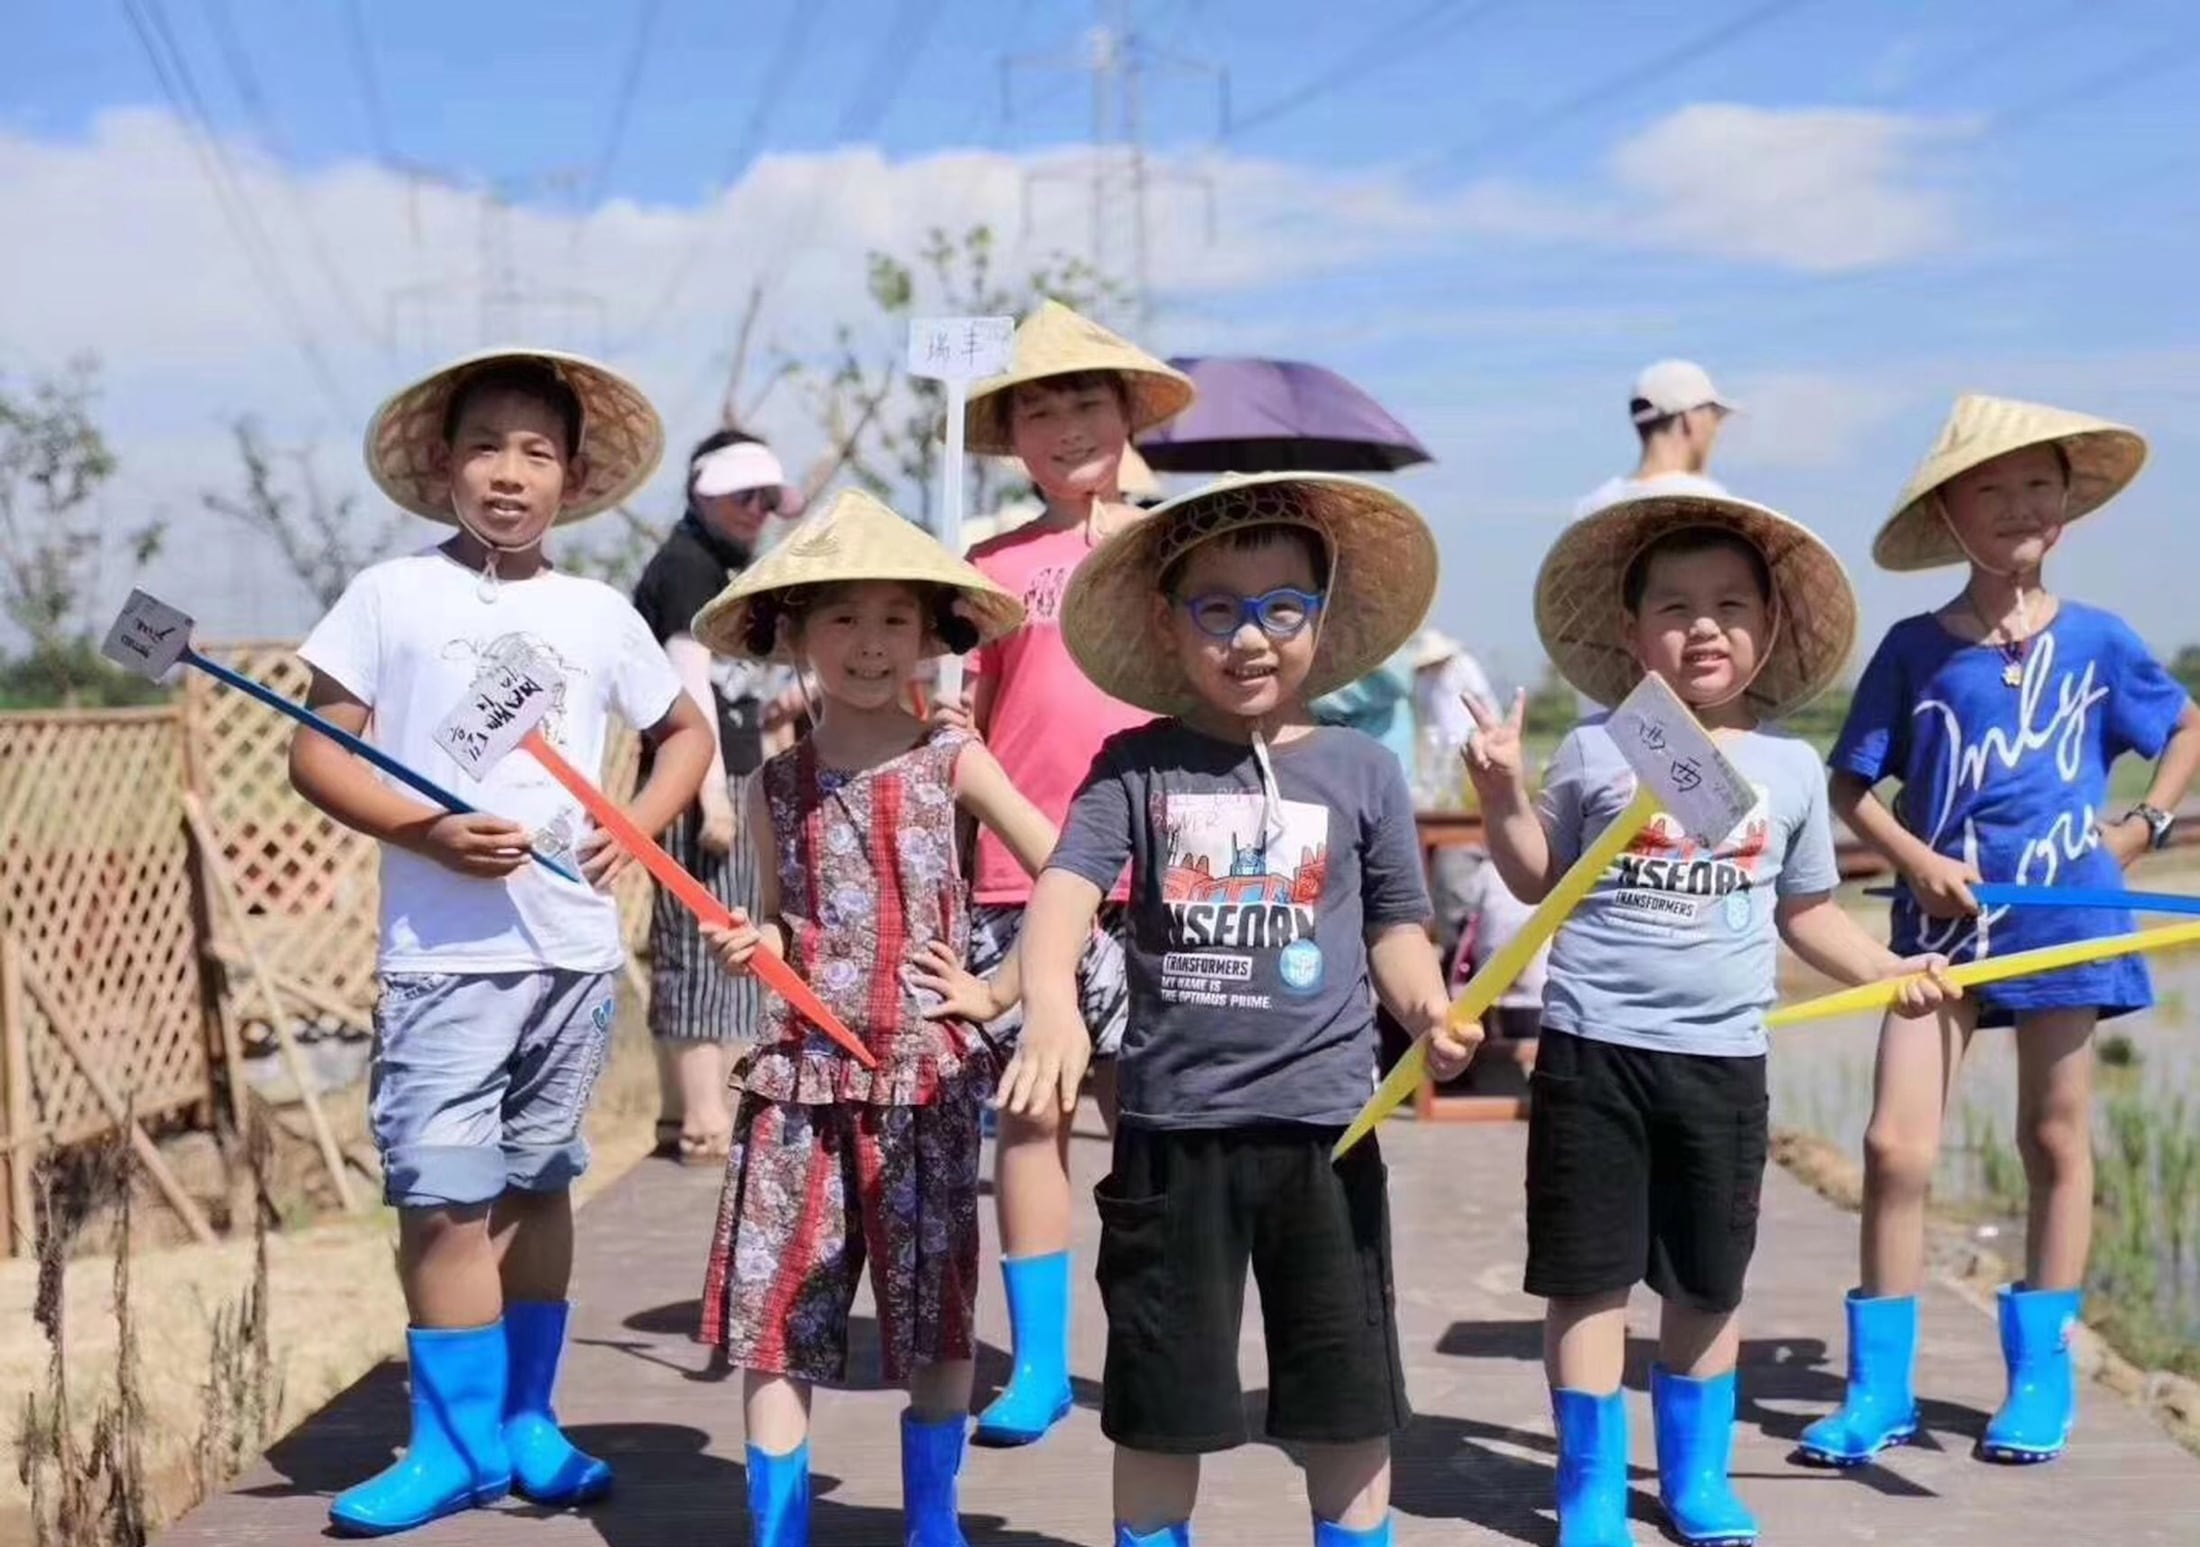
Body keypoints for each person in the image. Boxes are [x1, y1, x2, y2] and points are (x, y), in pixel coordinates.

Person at [1461, 491, 1954, 1547]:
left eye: (1731, 605)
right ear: (1631, 632)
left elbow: (1808, 910)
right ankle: (1590, 1489)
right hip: (1593, 1050)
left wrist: (1888, 964)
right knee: (1587, 1276)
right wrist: (1501, 792)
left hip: (1721, 1061)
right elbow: (1535, 877)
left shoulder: (1783, 770)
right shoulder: (1598, 750)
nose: (1702, 626)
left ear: (1767, 630)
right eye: (1675, 607)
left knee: (1705, 1279)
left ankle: (1696, 1475)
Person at [291, 349, 716, 1536]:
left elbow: (683, 729)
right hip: (442, 960)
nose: (511, 473)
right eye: (488, 446)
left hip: (568, 958)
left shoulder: (597, 612)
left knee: (537, 1185)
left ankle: (527, 1419)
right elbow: (316, 750)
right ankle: (453, 1443)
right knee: (440, 1197)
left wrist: (637, 824)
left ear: (574, 476)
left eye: (538, 451)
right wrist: (426, 825)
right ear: (444, 464)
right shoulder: (388, 594)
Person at [1004, 471, 1466, 1547]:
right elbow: (1065, 891)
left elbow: (1398, 922)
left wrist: (1430, 1008)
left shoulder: (1362, 768)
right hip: (1174, 1135)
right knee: (1163, 1393)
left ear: (1321, 619)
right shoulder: (1136, 764)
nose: (1249, 637)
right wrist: (1053, 1010)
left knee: (1346, 1397)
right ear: (1170, 628)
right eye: (1216, 608)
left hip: (1329, 1131)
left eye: (1280, 608)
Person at [1800, 396, 2200, 1470]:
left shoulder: (2105, 640)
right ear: (1949, 512)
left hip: (2069, 917)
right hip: (1937, 933)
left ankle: (2040, 1372)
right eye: (1993, 487)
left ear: (2065, 510)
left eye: (2039, 486)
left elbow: (2184, 725)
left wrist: (2144, 823)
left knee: (2054, 1136)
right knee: (1894, 1144)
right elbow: (1850, 782)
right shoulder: (1914, 650)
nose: (2018, 505)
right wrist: (1916, 859)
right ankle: (1878, 1386)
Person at [684, 488, 1052, 1546]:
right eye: (841, 617)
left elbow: (1069, 869)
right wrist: (760, 944)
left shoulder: (954, 760)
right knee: (778, 1306)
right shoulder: (771, 784)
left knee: (934, 1308)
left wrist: (998, 988)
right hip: (799, 1080)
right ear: (793, 631)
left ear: (932, 637)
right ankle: (778, 1525)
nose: (869, 642)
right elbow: (772, 920)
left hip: (922, 1077)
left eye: (896, 618)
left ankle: (932, 1517)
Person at [945, 297, 1196, 1449]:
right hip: (1019, 881)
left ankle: (1156, 1348)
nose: (1062, 428)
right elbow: (968, 729)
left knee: (1151, 1124)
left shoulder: (1174, 548)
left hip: (1164, 878)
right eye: (1036, 410)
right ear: (1010, 435)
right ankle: (1038, 1362)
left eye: (1083, 402)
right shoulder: (983, 568)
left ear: (1127, 412)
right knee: (1031, 1117)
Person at [630, 429, 801, 1164]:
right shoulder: (687, 568)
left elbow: (755, 695)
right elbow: (685, 688)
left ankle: (692, 1112)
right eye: (742, 494)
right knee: (705, 944)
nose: (756, 509)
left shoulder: (731, 570)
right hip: (701, 782)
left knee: (727, 938)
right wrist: (714, 799)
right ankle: (705, 1115)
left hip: (733, 774)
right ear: (702, 491)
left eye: (766, 497)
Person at [1574, 360, 1737, 519]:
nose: (1716, 430)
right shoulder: (1712, 504)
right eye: (1715, 417)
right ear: (1689, 420)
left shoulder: (1592, 509)